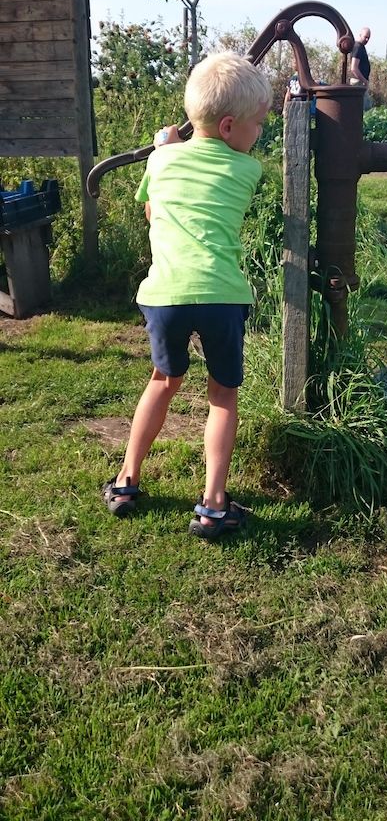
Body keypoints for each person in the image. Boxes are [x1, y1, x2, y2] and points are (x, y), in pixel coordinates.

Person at [101, 51, 273, 540]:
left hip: (164, 294)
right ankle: (214, 506)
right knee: (222, 397)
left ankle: (126, 481)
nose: (258, 133)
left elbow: (154, 212)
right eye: (257, 124)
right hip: (221, 295)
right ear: (227, 126)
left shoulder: (161, 160)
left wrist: (163, 146)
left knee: (163, 379)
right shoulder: (247, 171)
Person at [349, 26, 372, 111]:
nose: (367, 40)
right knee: (365, 108)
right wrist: (364, 81)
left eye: (368, 38)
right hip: (358, 82)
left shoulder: (361, 47)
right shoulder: (357, 47)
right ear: (360, 35)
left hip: (360, 82)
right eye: (365, 37)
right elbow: (354, 68)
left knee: (364, 108)